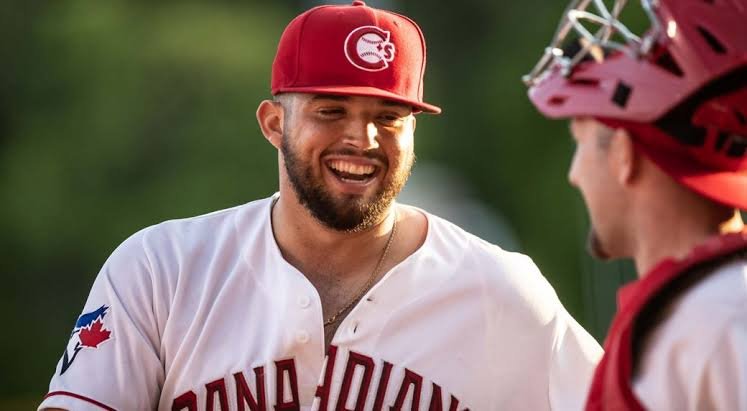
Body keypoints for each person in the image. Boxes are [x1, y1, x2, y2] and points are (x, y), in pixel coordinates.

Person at [39, 2, 602, 410]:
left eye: (388, 117)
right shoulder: (162, 270)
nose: (362, 139)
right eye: (331, 111)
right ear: (274, 122)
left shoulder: (500, 291)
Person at [524, 0, 747, 409]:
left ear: (623, 154)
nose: (574, 174)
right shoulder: (703, 310)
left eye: (581, 143)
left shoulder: (721, 316)